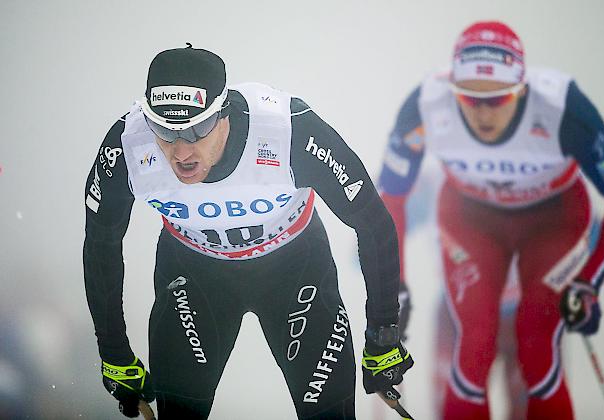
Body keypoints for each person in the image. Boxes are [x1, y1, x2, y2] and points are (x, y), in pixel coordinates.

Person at [83, 44, 413, 420]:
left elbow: (373, 224)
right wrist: (113, 354)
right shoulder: (127, 146)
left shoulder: (288, 130)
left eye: (197, 129)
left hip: (295, 272)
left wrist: (383, 335)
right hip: (194, 276)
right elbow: (100, 246)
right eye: (164, 130)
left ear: (223, 114)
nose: (180, 151)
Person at [378, 21, 604, 420]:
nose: (484, 112)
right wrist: (394, 286)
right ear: (453, 90)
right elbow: (391, 199)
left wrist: (590, 283)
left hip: (553, 221)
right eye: (469, 99)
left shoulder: (561, 106)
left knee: (537, 348)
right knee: (473, 348)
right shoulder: (425, 103)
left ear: (522, 90)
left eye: (498, 100)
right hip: (473, 220)